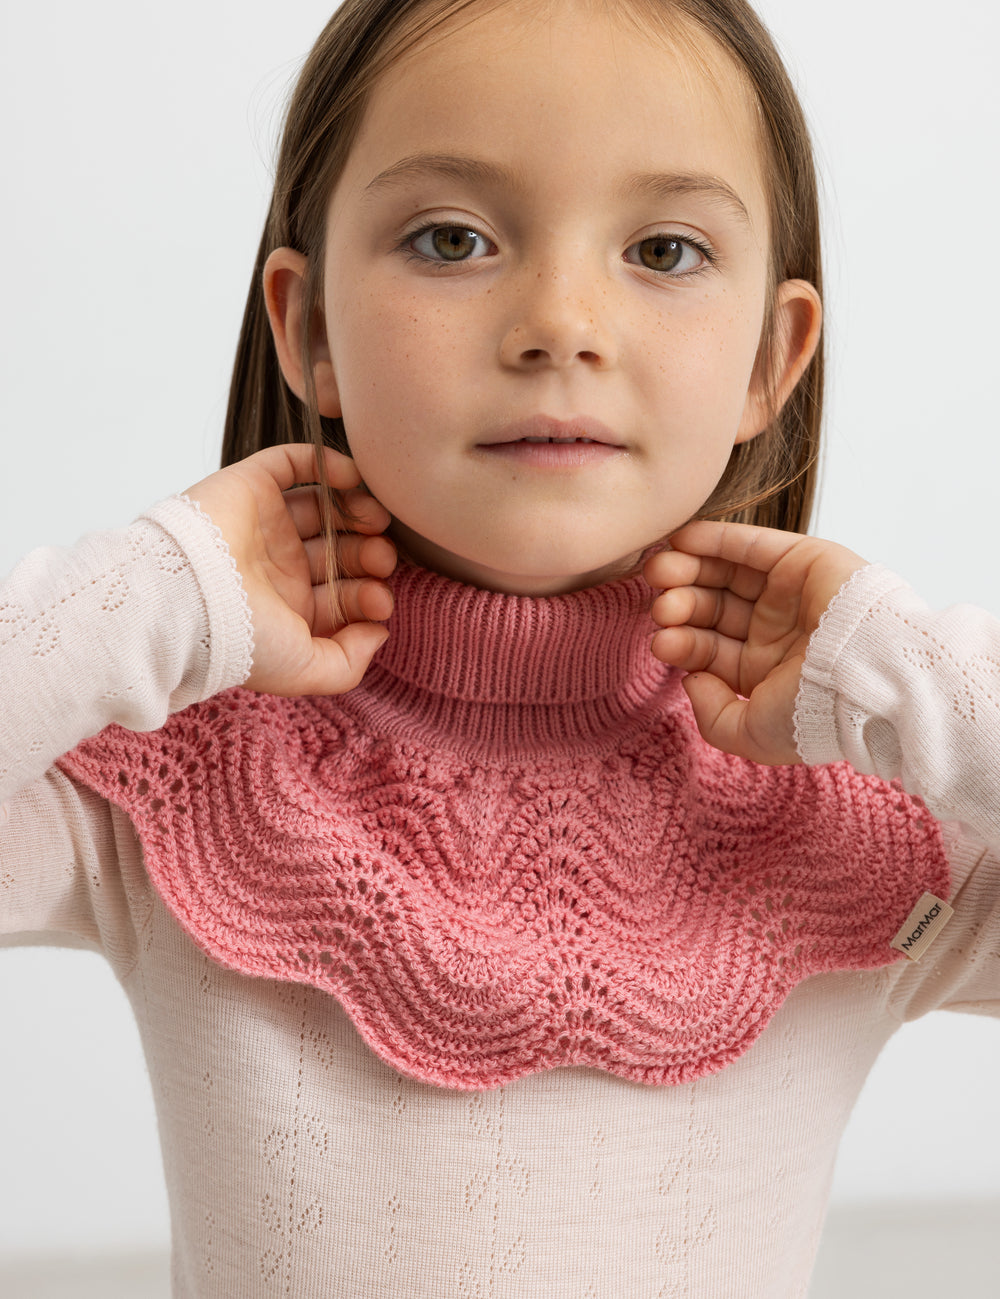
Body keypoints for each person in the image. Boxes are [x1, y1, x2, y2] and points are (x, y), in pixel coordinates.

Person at [1, 0, 997, 1294]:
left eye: (664, 247)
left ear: (774, 355)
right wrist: (161, 588)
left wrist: (910, 672)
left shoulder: (868, 828)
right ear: (307, 330)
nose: (559, 323)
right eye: (451, 238)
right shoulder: (179, 777)